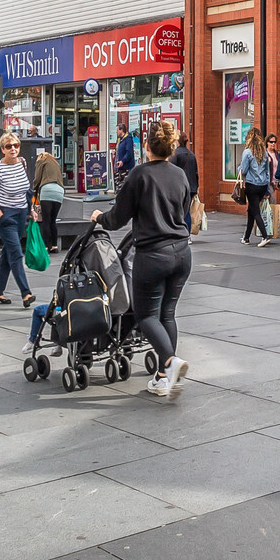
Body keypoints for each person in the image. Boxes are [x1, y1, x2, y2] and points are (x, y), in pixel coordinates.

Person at [92, 121, 194, 398]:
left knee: (146, 314)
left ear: (146, 147)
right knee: (167, 313)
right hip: (182, 252)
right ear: (172, 148)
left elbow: (117, 218)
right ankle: (163, 376)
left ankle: (171, 363)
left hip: (153, 254)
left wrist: (98, 217)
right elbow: (184, 211)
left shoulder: (139, 175)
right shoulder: (180, 175)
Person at [0, 133, 35, 306]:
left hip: (21, 214)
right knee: (16, 253)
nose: (13, 149)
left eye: (16, 145)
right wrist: (0, 214)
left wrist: (31, 210)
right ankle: (26, 293)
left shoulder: (22, 163)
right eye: (8, 146)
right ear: (2, 149)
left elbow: (27, 190)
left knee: (8, 253)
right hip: (6, 216)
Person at [237, 126, 275, 246]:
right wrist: (268, 190)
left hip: (252, 185)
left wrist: (238, 168)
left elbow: (243, 170)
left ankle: (264, 236)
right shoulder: (264, 152)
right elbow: (267, 172)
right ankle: (246, 237)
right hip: (263, 185)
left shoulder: (247, 152)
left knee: (255, 211)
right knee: (251, 211)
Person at [31, 146, 65, 255]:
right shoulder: (56, 164)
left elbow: (37, 178)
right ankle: (54, 246)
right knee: (53, 221)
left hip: (47, 190)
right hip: (59, 191)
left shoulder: (42, 161)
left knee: (45, 220)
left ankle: (45, 247)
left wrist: (34, 191)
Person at [170, 132, 200, 234]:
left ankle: (180, 233)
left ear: (177, 142)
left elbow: (172, 171)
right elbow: (196, 172)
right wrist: (196, 187)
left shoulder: (175, 154)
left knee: (179, 211)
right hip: (191, 187)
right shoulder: (191, 154)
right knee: (186, 211)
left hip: (180, 187)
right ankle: (187, 234)